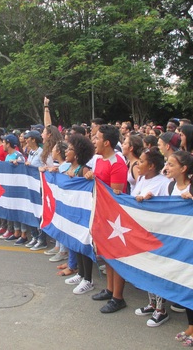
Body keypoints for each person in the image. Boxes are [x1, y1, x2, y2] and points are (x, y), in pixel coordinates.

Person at [165, 151, 193, 346]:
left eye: (171, 164)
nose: (167, 167)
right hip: (179, 243)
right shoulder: (171, 185)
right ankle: (191, 324)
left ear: (183, 168)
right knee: (185, 285)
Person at [85, 125, 128, 313]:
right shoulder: (100, 160)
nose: (94, 141)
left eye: (98, 138)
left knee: (116, 255)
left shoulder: (117, 162)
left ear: (107, 142)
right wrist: (90, 175)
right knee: (107, 254)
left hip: (114, 217)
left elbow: (116, 194)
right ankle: (110, 290)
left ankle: (118, 297)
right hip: (102, 212)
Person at [132, 147, 171, 326]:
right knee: (146, 267)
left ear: (152, 165)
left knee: (157, 269)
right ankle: (151, 302)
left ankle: (161, 309)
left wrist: (151, 200)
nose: (138, 164)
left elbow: (167, 206)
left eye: (141, 161)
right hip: (141, 231)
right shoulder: (140, 179)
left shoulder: (163, 182)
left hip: (157, 232)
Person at [62, 134, 96, 294]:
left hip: (83, 214)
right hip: (72, 212)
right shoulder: (68, 168)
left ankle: (88, 279)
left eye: (69, 149)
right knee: (76, 242)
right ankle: (81, 274)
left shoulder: (84, 170)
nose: (66, 152)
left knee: (83, 244)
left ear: (77, 154)